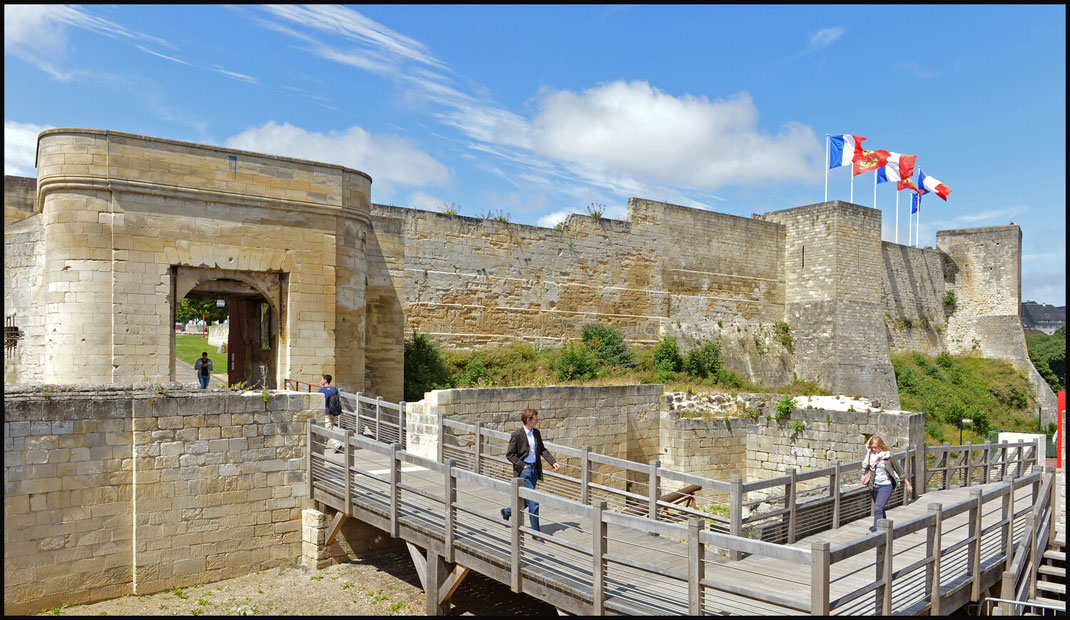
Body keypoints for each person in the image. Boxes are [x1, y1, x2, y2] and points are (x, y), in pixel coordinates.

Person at [501, 408, 560, 532]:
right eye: (535, 419)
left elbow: (542, 450)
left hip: (534, 469)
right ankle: (536, 533)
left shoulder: (536, 433)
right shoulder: (517, 435)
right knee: (533, 502)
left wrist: (553, 462)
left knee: (527, 500)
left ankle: (507, 511)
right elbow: (510, 455)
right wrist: (522, 466)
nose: (537, 422)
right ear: (528, 420)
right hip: (524, 471)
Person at [862, 435, 913, 532]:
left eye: (875, 447)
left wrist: (908, 484)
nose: (874, 449)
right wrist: (868, 452)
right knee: (880, 508)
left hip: (886, 486)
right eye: (872, 447)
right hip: (873, 486)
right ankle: (885, 528)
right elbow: (864, 466)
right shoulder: (870, 456)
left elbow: (900, 471)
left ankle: (876, 532)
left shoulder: (889, 456)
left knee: (878, 509)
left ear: (881, 446)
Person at [318, 374, 344, 453]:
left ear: (325, 380)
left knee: (328, 429)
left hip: (326, 412)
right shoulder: (334, 389)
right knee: (329, 428)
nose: (320, 381)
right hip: (333, 412)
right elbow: (339, 400)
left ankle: (337, 444)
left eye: (321, 379)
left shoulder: (321, 391)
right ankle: (323, 444)